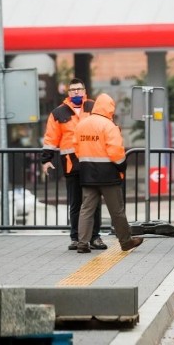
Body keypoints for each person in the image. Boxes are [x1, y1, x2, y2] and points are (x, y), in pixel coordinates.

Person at [73, 93, 143, 253]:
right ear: (110, 107)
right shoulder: (109, 126)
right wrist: (121, 167)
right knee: (116, 210)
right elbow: (116, 152)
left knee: (86, 209)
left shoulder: (82, 124)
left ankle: (82, 243)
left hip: (87, 173)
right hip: (108, 175)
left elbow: (76, 148)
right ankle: (126, 242)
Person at [41, 78, 105, 251]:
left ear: (85, 91)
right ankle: (76, 237)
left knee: (94, 201)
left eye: (79, 89)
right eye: (73, 90)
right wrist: (46, 160)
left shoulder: (94, 107)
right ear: (68, 93)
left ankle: (95, 237)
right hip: (71, 163)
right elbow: (50, 138)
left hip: (93, 161)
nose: (76, 92)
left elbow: (106, 129)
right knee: (76, 202)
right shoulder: (58, 113)